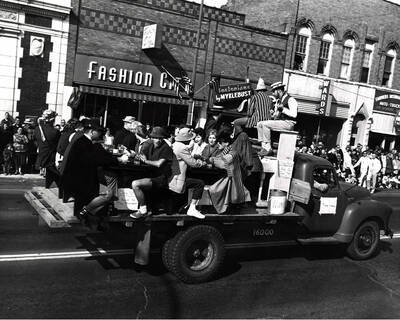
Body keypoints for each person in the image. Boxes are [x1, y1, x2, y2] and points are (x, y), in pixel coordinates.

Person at [60, 119, 129, 217]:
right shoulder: (86, 144)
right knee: (109, 194)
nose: (101, 134)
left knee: (108, 183)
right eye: (99, 132)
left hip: (77, 178)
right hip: (80, 182)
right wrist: (119, 160)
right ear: (92, 132)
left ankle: (92, 212)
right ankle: (84, 212)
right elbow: (99, 160)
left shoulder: (83, 141)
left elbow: (98, 158)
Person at [130, 127, 173, 219]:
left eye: (160, 138)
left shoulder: (166, 148)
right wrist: (138, 156)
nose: (157, 140)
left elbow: (158, 164)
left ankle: (143, 210)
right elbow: (143, 154)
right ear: (152, 138)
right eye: (155, 138)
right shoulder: (150, 145)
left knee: (135, 184)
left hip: (160, 178)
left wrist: (145, 161)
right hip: (151, 174)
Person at [169, 127, 207, 219]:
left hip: (172, 177)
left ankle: (185, 206)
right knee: (200, 183)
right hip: (178, 180)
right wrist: (203, 163)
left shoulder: (175, 144)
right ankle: (192, 208)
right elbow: (193, 163)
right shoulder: (182, 148)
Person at [257, 81, 297, 157]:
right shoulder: (279, 101)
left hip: (289, 123)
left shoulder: (291, 100)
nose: (273, 94)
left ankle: (268, 149)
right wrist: (273, 114)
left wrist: (283, 109)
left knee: (265, 125)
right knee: (259, 124)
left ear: (279, 91)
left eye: (273, 91)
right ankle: (264, 147)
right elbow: (277, 117)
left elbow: (294, 115)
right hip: (281, 122)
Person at [34, 109, 61, 187]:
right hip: (50, 156)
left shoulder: (37, 129)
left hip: (41, 156)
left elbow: (35, 141)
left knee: (51, 172)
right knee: (57, 176)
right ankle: (63, 190)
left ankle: (48, 186)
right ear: (52, 119)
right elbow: (58, 145)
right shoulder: (56, 132)